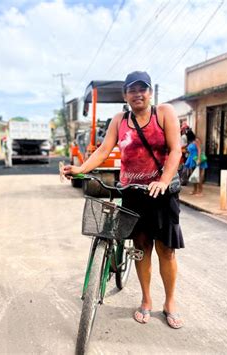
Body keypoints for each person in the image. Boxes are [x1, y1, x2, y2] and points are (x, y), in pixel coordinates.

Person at [62, 71, 184, 329]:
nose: (138, 94)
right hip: (132, 192)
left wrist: (163, 181)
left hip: (161, 194)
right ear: (125, 95)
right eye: (132, 89)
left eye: (143, 89)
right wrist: (80, 168)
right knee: (141, 248)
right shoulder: (120, 120)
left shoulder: (163, 113)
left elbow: (175, 150)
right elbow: (104, 150)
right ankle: (147, 300)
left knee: (166, 250)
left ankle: (170, 301)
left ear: (150, 93)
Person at [184, 130, 207, 196]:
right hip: (191, 159)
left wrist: (199, 159)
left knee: (198, 175)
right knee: (193, 176)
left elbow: (199, 149)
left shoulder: (196, 140)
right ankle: (195, 190)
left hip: (196, 158)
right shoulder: (190, 142)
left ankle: (200, 191)